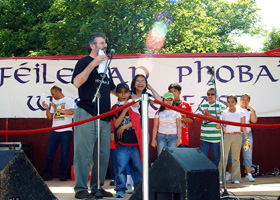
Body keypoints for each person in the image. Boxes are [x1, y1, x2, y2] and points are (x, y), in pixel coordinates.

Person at [71, 32, 116, 199]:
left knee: (103, 155)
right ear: (93, 46)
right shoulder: (84, 62)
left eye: (105, 43)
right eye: (102, 43)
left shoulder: (106, 67)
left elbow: (112, 88)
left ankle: (98, 187)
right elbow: (77, 82)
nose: (105, 46)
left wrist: (134, 90)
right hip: (87, 113)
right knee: (84, 153)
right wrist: (93, 64)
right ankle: (81, 189)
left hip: (104, 115)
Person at [111, 82, 142, 198]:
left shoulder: (134, 105)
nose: (123, 94)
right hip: (121, 142)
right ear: (117, 94)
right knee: (120, 167)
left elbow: (136, 122)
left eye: (126, 92)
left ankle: (139, 189)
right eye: (120, 92)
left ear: (130, 93)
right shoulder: (115, 108)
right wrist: (124, 110)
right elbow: (116, 123)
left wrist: (124, 127)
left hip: (134, 142)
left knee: (138, 167)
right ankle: (120, 189)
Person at [41, 85, 74, 181]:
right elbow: (50, 117)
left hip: (66, 130)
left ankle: (62, 174)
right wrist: (47, 108)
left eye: (53, 94)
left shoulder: (69, 100)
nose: (52, 96)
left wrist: (58, 109)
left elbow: (71, 112)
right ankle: (47, 173)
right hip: (54, 129)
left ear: (58, 92)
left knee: (65, 154)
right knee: (50, 153)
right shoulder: (54, 102)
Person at [217, 94, 249, 184]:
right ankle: (220, 178)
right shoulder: (224, 112)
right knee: (223, 157)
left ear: (236, 102)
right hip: (226, 135)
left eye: (232, 102)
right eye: (229, 102)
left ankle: (236, 178)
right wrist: (219, 122)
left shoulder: (241, 112)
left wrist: (246, 138)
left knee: (236, 158)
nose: (230, 104)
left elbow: (243, 126)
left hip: (237, 136)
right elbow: (218, 126)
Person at [226, 93, 258, 182]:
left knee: (248, 153)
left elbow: (254, 121)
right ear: (240, 100)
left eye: (247, 99)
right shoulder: (236, 109)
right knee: (233, 154)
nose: (245, 101)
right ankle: (229, 173)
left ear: (249, 101)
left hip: (247, 134)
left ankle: (248, 174)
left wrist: (253, 110)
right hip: (237, 134)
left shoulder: (249, 110)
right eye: (243, 99)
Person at [196, 88, 225, 167]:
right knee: (203, 157)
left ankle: (214, 175)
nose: (210, 96)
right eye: (208, 94)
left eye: (212, 94)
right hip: (204, 137)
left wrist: (209, 116)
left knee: (216, 158)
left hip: (216, 137)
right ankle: (205, 174)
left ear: (216, 96)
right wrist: (205, 115)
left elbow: (222, 120)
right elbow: (198, 119)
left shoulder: (220, 106)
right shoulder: (202, 105)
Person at [168, 83, 194, 148]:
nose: (173, 93)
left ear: (180, 92)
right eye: (171, 91)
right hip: (170, 138)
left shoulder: (187, 105)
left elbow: (191, 119)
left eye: (175, 91)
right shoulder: (167, 105)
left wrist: (181, 119)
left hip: (183, 139)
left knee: (182, 157)